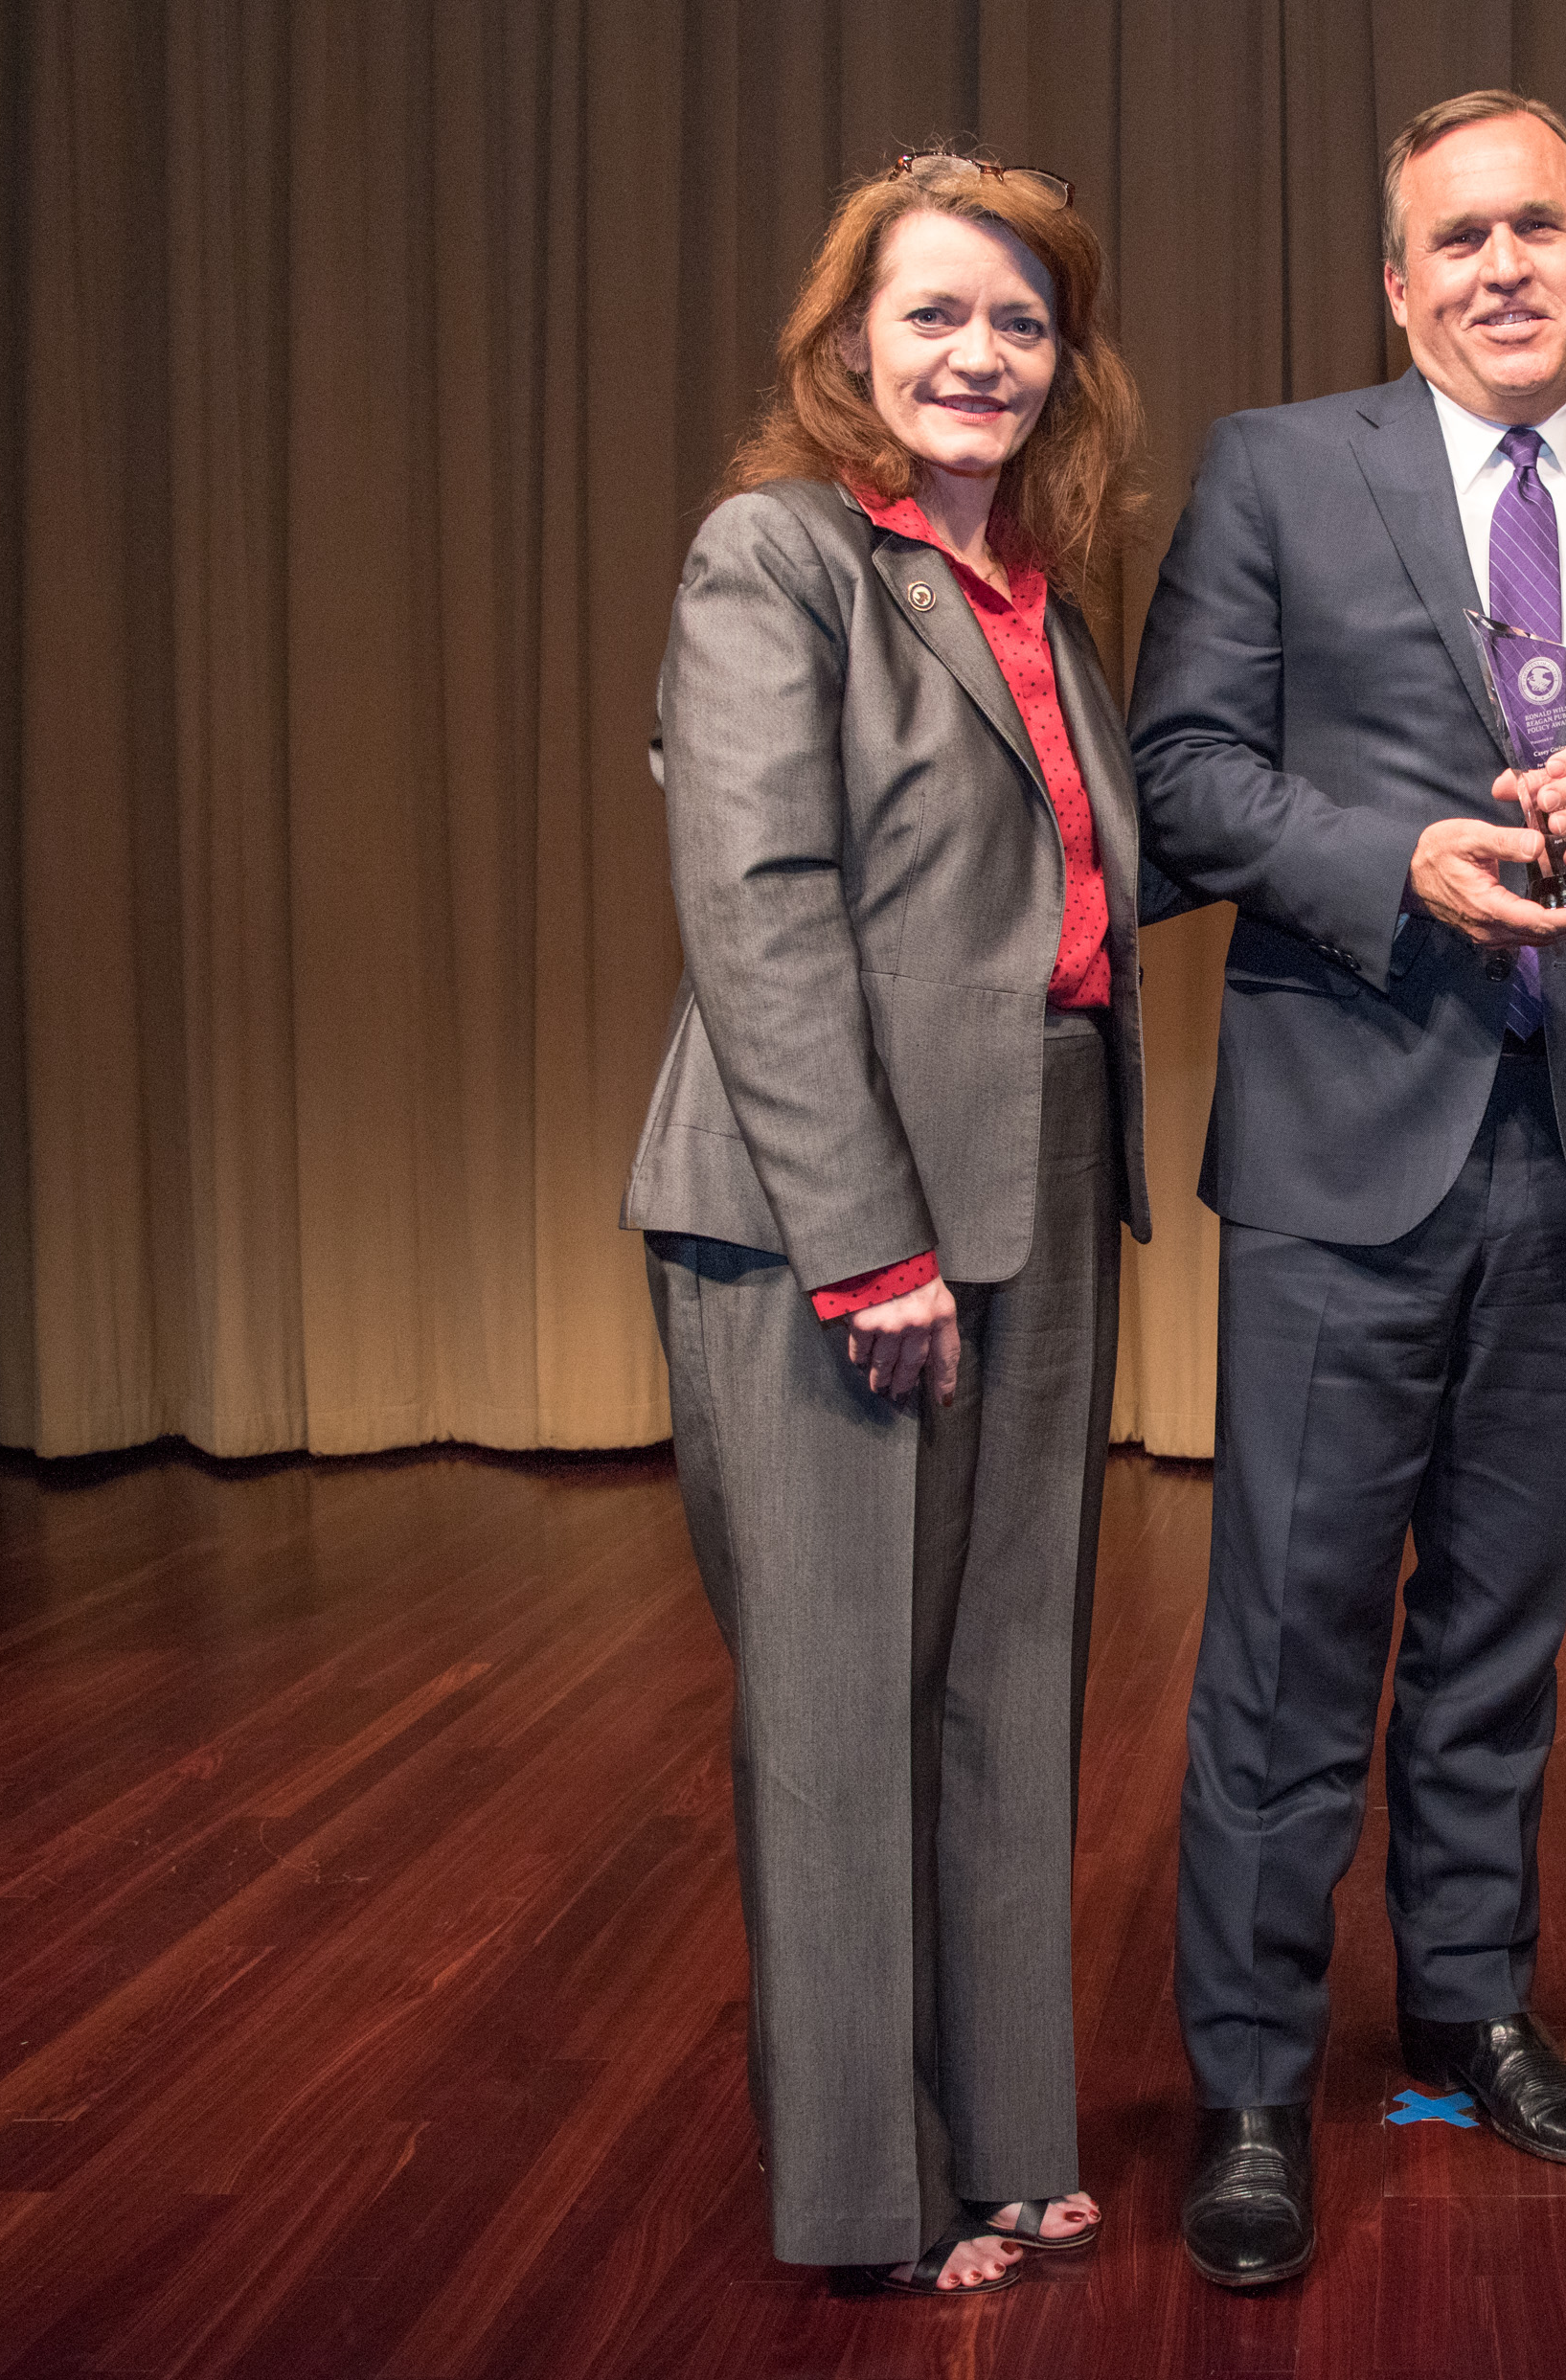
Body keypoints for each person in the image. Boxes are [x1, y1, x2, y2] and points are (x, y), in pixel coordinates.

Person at [1129, 89, 1566, 2288]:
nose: (1501, 266)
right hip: (1342, 1145)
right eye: (1455, 239)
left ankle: (1471, 2013)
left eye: (1539, 229)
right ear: (1397, 286)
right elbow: (1184, 773)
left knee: (1500, 1638)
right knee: (1289, 1648)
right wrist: (1383, 862)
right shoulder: (1278, 471)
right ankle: (1244, 2080)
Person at [621, 148, 1156, 2301]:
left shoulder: (1032, 583)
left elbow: (1069, 890)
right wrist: (866, 1242)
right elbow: (758, 913)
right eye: (933, 314)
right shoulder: (778, 557)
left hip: (1034, 1163)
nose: (979, 356)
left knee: (1005, 1688)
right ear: (848, 341)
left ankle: (1009, 2136)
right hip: (817, 1205)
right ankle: (864, 2194)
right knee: (843, 1712)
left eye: (1021, 321)